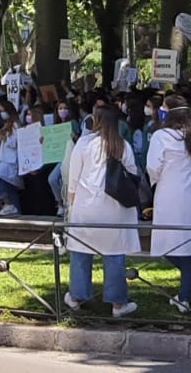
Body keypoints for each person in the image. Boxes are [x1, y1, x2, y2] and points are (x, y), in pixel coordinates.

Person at [64, 105, 140, 317]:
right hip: (114, 209)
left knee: (81, 252)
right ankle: (118, 304)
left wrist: (72, 203)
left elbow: (73, 178)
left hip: (86, 206)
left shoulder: (84, 143)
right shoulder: (122, 146)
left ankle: (77, 296)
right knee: (115, 254)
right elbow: (133, 173)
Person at [146, 93, 191, 313]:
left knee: (169, 242)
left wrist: (157, 180)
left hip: (169, 193)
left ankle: (184, 297)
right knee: (185, 243)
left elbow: (152, 167)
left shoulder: (160, 136)